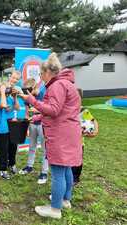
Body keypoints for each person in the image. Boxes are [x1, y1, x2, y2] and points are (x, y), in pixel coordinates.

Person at [20, 53, 82, 219]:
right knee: (66, 168)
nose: (41, 77)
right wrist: (38, 117)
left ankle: (55, 209)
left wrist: (32, 100)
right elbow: (62, 111)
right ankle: (65, 200)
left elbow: (54, 110)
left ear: (48, 72)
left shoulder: (57, 86)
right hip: (69, 132)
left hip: (60, 135)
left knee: (57, 172)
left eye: (41, 74)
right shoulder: (66, 84)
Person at [19, 78, 49, 185]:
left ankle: (44, 172)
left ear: (34, 88)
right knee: (32, 146)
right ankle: (29, 166)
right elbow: (27, 113)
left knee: (45, 150)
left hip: (42, 124)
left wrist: (37, 109)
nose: (27, 94)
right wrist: (27, 126)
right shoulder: (27, 98)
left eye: (28, 91)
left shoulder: (43, 94)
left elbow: (48, 109)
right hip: (32, 124)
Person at [0, 70, 22, 165]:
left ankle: (7, 159)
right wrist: (1, 90)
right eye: (14, 77)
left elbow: (18, 104)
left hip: (11, 118)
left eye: (17, 79)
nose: (14, 80)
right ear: (10, 76)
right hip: (0, 118)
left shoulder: (17, 88)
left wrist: (17, 94)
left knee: (11, 141)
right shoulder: (3, 85)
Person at [72, 88, 99, 185]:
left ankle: (75, 178)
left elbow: (93, 121)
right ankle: (70, 177)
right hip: (68, 141)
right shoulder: (67, 109)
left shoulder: (83, 111)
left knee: (78, 161)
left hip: (79, 142)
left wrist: (95, 131)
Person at [0, 83, 20, 179]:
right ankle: (3, 170)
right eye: (4, 89)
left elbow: (17, 108)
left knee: (13, 148)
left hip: (12, 127)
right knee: (4, 150)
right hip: (3, 129)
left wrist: (15, 97)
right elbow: (3, 105)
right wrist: (2, 91)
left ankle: (12, 164)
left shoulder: (10, 98)